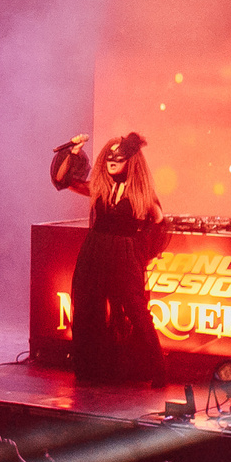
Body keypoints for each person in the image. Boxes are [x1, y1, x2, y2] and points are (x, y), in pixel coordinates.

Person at [50, 129, 166, 384]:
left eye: (119, 158)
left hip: (124, 254)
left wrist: (144, 251)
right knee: (87, 306)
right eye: (109, 158)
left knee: (136, 310)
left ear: (131, 162)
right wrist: (74, 151)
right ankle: (91, 370)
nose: (112, 161)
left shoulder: (141, 195)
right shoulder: (100, 188)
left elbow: (159, 222)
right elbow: (64, 179)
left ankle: (156, 370)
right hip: (95, 251)